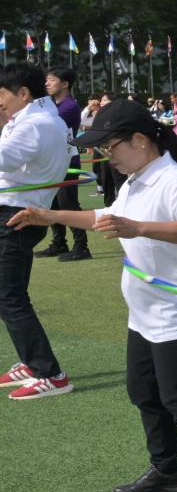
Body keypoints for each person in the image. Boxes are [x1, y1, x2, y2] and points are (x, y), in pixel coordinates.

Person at [6, 99, 177, 492]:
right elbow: (107, 216)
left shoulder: (175, 179)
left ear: (140, 140)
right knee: (143, 391)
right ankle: (167, 469)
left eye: (111, 147)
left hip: (176, 308)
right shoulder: (136, 179)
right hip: (143, 309)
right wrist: (46, 214)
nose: (106, 156)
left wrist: (138, 228)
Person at [0, 63, 75, 400]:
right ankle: (34, 363)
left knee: (9, 296)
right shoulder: (37, 119)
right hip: (17, 212)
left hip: (16, 215)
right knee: (10, 294)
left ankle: (50, 372)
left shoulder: (37, 124)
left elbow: (5, 159)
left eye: (2, 95)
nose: (0, 102)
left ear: (24, 94)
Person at [40, 66, 91, 261]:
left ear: (65, 83)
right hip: (56, 162)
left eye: (51, 80)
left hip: (68, 161)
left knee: (68, 204)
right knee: (54, 203)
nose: (47, 83)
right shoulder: (54, 106)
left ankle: (82, 246)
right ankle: (59, 243)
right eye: (46, 80)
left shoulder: (69, 107)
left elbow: (46, 128)